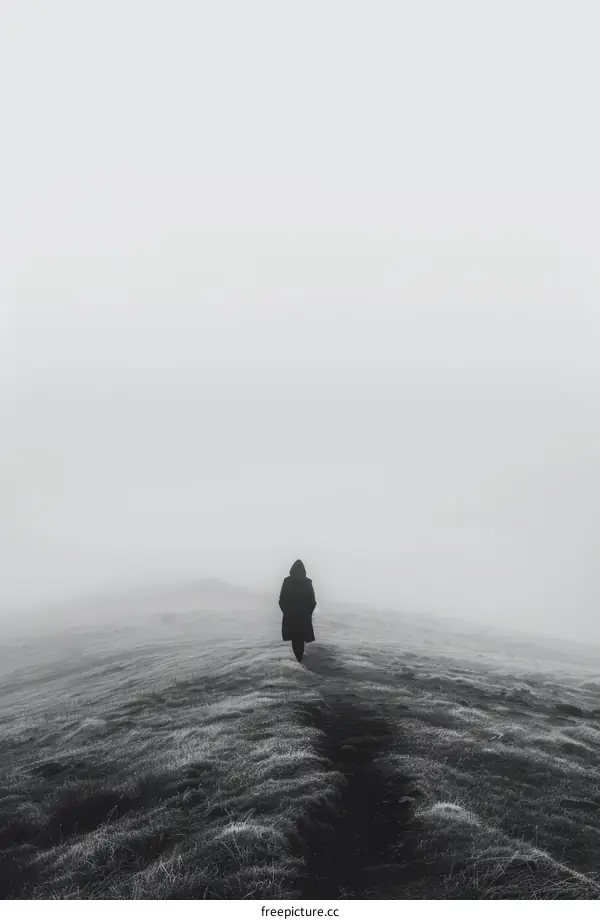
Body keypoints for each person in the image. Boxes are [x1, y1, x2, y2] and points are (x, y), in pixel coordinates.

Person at [279, 559, 316, 662]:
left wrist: (287, 612)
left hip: (291, 617)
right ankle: (300, 660)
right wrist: (307, 614)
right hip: (303, 618)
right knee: (300, 640)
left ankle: (298, 661)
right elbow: (312, 602)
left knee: (295, 640)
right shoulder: (307, 582)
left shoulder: (287, 581)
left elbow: (282, 600)